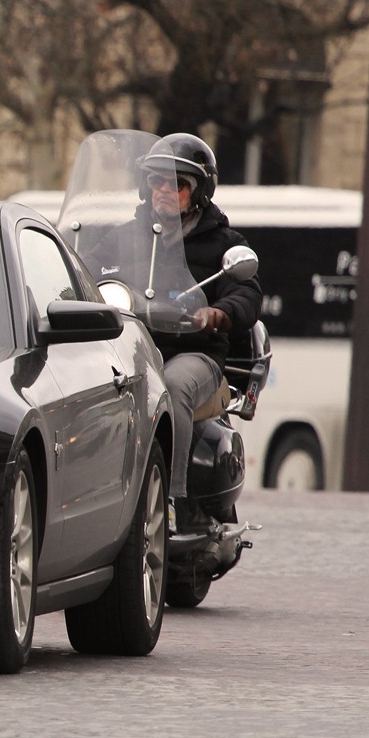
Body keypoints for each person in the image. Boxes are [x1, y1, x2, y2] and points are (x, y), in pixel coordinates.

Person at [128, 133, 262, 532]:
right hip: (135, 345)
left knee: (172, 385)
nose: (164, 191)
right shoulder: (127, 236)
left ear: (198, 191)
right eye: (157, 181)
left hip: (195, 354)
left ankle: (172, 502)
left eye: (177, 183)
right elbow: (88, 267)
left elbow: (247, 292)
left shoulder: (224, 243)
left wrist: (218, 313)